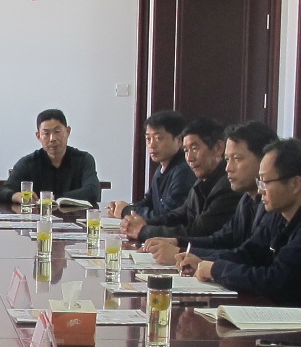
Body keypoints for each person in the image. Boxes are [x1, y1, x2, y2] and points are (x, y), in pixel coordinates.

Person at [179, 139, 301, 340]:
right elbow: (249, 253)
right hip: (289, 324)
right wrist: (199, 259)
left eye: (265, 182)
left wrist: (216, 269)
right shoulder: (280, 212)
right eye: (259, 182)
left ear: (295, 184)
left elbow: (276, 282)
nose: (260, 190)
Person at [139, 120, 276, 264]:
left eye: (237, 159)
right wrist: (177, 241)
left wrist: (181, 252)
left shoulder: (272, 205)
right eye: (227, 159)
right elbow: (222, 238)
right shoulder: (246, 199)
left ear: (265, 160)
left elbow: (249, 257)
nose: (228, 168)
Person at [124, 117, 236, 243]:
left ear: (218, 148)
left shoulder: (228, 185)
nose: (189, 158)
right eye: (186, 150)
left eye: (194, 148)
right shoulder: (201, 181)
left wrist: (144, 231)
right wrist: (143, 223)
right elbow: (178, 215)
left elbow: (198, 231)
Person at [2, 108, 101, 205]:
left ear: (68, 131)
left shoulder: (83, 160)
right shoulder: (28, 163)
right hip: (38, 215)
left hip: (75, 215)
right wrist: (17, 196)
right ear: (38, 136)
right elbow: (3, 191)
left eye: (57, 132)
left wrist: (55, 198)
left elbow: (92, 191)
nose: (52, 139)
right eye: (46, 133)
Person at [112, 110, 194, 224]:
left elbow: (167, 217)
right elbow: (149, 202)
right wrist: (123, 208)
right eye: (148, 139)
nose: (152, 145)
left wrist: (126, 211)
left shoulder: (184, 171)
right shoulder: (161, 168)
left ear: (179, 140)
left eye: (158, 138)